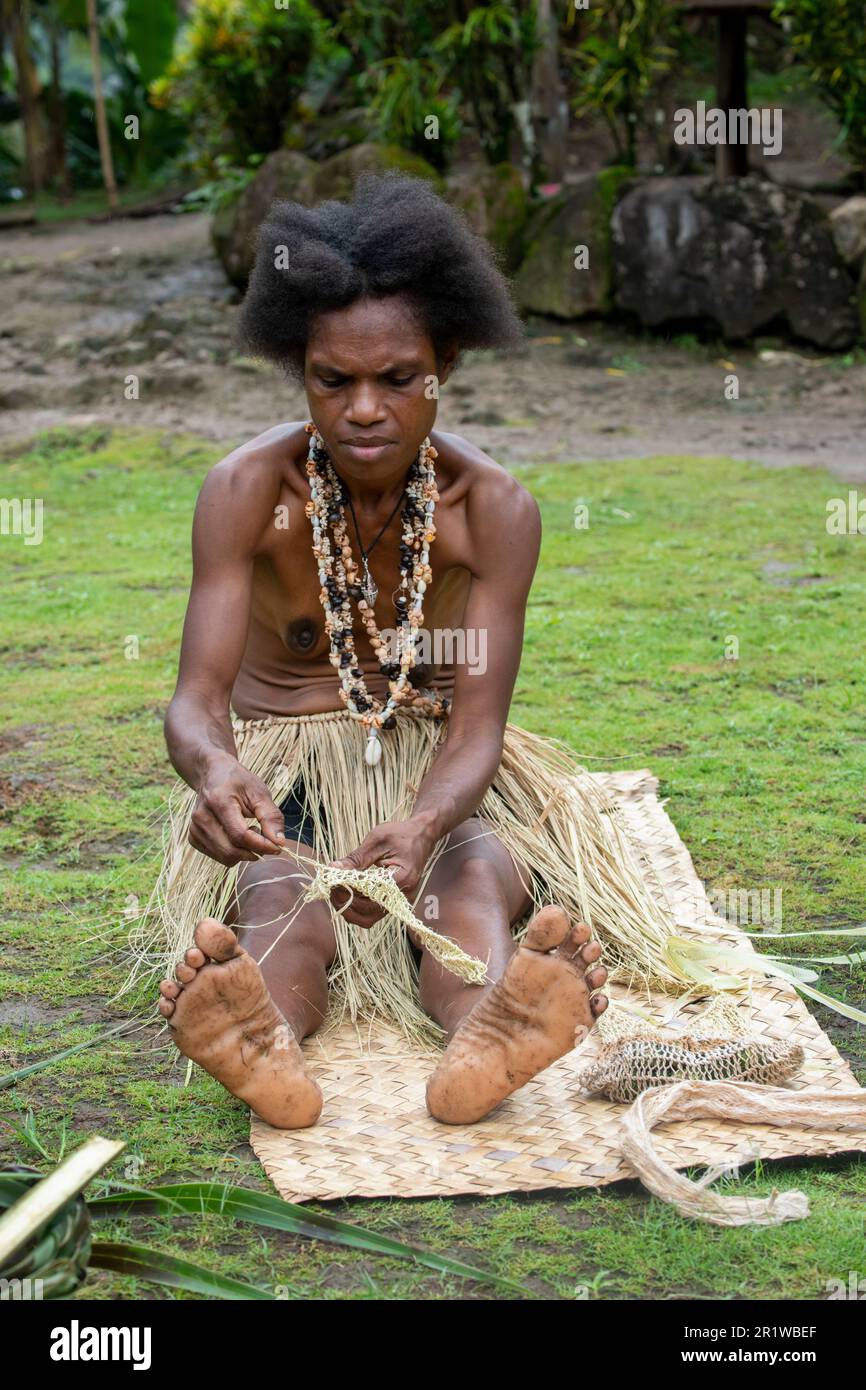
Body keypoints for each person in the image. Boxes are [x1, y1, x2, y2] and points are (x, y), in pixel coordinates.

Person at [146, 173, 673, 1130]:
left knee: (468, 884)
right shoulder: (244, 491)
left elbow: (480, 725)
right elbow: (194, 697)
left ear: (447, 364)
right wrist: (216, 772)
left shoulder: (493, 510)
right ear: (296, 366)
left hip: (444, 774)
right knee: (281, 894)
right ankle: (260, 1034)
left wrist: (424, 823)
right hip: (290, 767)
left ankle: (492, 1031)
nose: (363, 410)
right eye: (331, 379)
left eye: (397, 378)